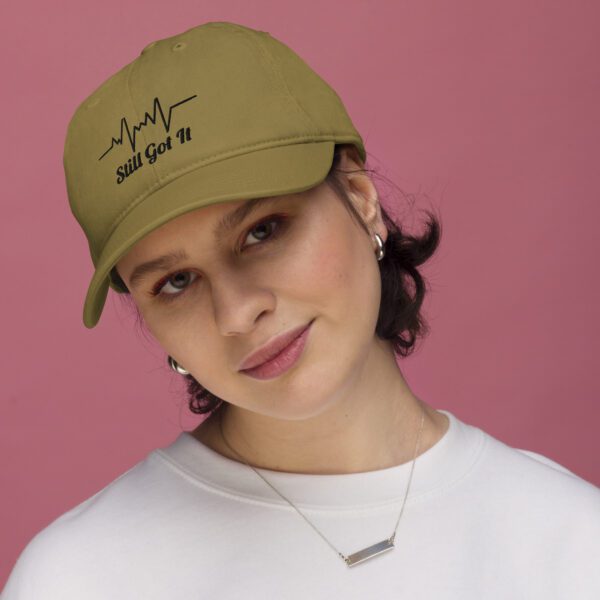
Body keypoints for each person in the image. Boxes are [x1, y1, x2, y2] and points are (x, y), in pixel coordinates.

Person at [2, 20, 599, 600]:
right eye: (177, 281)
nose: (237, 312)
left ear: (361, 199)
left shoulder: (569, 543)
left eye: (263, 231)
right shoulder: (79, 579)